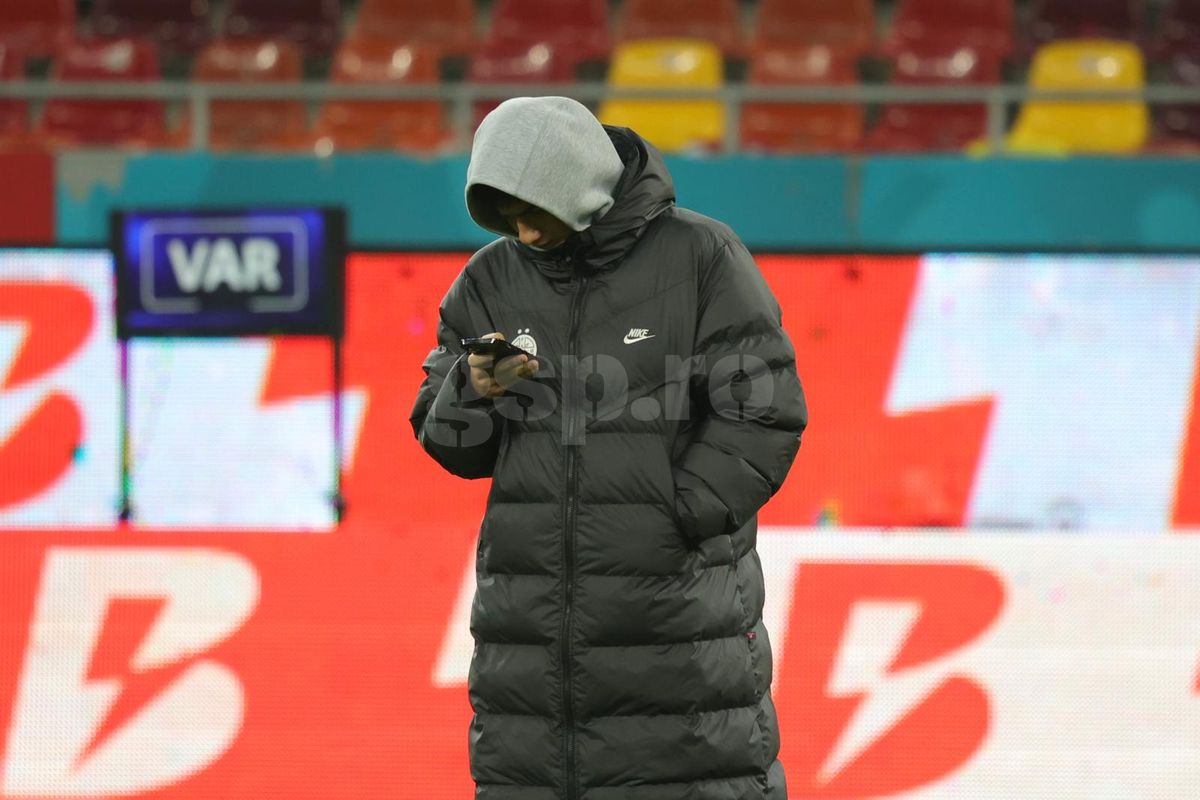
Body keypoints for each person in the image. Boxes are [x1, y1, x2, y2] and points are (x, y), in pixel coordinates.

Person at [410, 96, 807, 800]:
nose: (523, 230)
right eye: (504, 214)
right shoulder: (489, 279)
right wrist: (474, 389)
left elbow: (764, 412)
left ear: (579, 188)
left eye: (533, 208)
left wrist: (673, 517)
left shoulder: (702, 257)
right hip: (526, 660)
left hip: (678, 633)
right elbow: (449, 443)